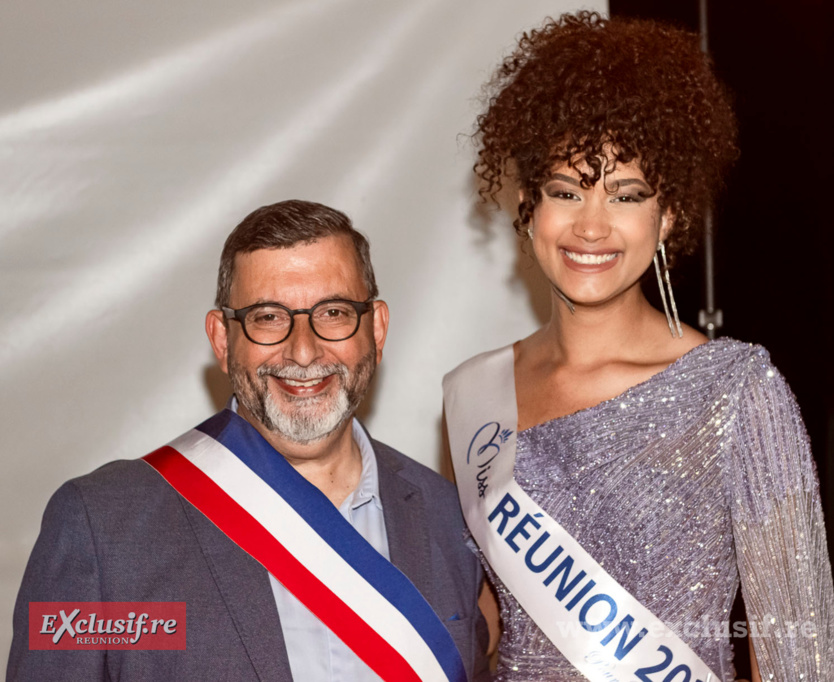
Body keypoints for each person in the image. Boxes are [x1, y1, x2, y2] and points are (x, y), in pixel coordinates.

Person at [442, 12, 834, 682]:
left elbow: (798, 652)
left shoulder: (737, 390)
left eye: (625, 196)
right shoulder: (473, 393)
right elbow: (478, 628)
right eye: (566, 191)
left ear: (668, 213)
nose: (591, 226)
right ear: (529, 206)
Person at [9, 200, 490, 681]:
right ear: (222, 340)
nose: (304, 351)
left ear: (377, 329)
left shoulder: (451, 517)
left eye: (334, 312)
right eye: (268, 317)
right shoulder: (103, 527)